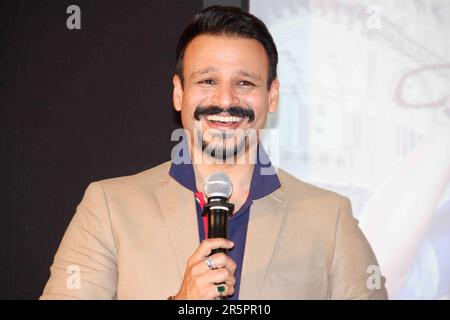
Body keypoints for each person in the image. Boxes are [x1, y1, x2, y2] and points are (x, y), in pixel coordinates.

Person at [40, 6, 387, 300]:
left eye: (245, 83)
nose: (225, 100)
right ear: (179, 93)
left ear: (273, 95)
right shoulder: (109, 208)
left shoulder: (330, 218)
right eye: (207, 81)